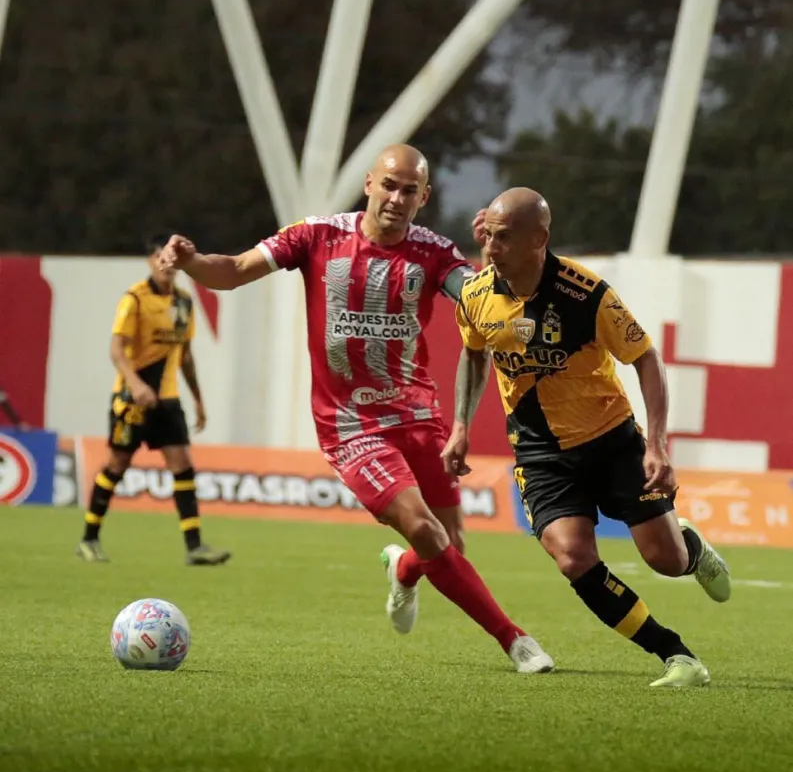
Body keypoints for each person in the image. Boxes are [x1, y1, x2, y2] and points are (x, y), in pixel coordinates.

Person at [159, 144, 553, 673]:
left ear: (424, 197)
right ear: (368, 183)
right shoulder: (316, 235)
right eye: (388, 185)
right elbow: (231, 270)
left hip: (417, 415)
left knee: (449, 543)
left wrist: (489, 261)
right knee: (428, 532)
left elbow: (481, 302)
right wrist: (191, 263)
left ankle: (405, 573)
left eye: (409, 190)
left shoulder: (434, 252)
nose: (396, 197)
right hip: (351, 425)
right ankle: (515, 640)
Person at [441, 188, 731, 689]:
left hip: (611, 440)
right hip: (541, 451)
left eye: (505, 238)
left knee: (666, 560)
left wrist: (658, 445)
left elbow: (647, 358)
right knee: (573, 558)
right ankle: (675, 654)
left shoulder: (586, 294)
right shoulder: (474, 295)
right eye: (488, 236)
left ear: (540, 239)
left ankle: (691, 548)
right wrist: (461, 426)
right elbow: (473, 355)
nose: (491, 248)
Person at [77, 233, 231, 566]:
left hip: (169, 399)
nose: (168, 264)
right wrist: (135, 384)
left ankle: (194, 547)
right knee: (117, 465)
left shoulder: (184, 302)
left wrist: (199, 400)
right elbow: (116, 349)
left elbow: (186, 356)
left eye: (173, 258)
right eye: (162, 257)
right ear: (151, 259)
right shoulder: (134, 298)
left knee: (183, 466)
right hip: (132, 400)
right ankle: (89, 538)